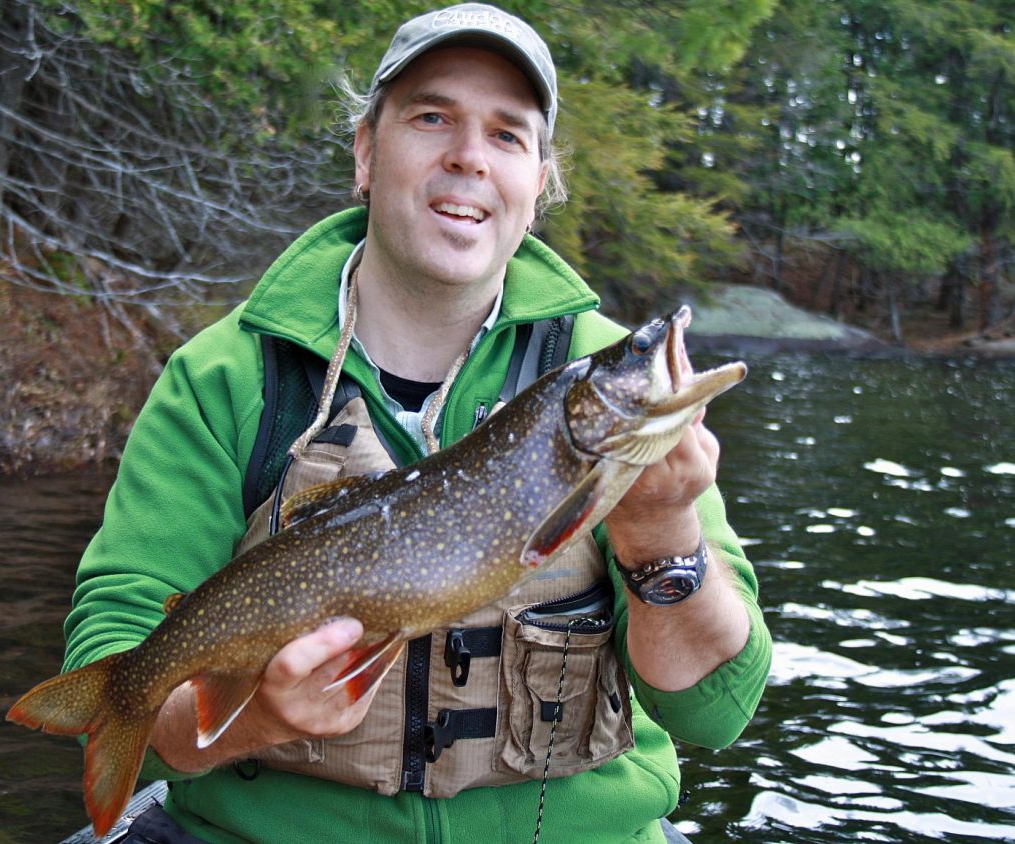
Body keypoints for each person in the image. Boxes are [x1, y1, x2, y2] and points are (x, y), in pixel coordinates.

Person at [61, 4, 771, 842]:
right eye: (433, 117)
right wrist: (253, 718)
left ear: (538, 182)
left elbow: (715, 714)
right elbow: (117, 659)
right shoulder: (225, 378)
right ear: (367, 152)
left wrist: (662, 526)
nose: (469, 157)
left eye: (508, 135)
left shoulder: (598, 369)